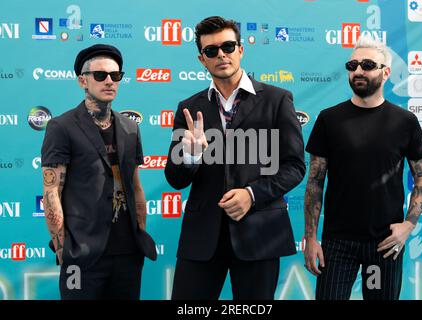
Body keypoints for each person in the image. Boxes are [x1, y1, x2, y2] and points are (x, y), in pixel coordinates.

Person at [164, 16, 305, 300]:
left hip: (260, 234)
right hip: (202, 238)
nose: (221, 55)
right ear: (202, 59)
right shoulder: (189, 108)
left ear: (241, 49)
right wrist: (190, 155)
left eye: (228, 46)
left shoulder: (277, 100)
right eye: (211, 51)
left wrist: (252, 194)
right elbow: (175, 179)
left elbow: (294, 166)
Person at [303, 36, 422, 300]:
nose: (358, 70)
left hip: (385, 243)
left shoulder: (405, 121)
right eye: (353, 65)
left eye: (368, 64)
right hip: (337, 243)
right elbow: (315, 182)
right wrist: (311, 239)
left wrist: (408, 225)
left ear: (385, 72)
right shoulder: (329, 119)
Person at [41, 44, 156, 300]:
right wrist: (62, 249)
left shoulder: (130, 128)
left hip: (127, 254)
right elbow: (51, 191)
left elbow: (136, 187)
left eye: (115, 76)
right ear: (83, 80)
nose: (109, 81)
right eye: (100, 75)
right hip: (81, 255)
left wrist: (139, 233)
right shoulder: (62, 126)